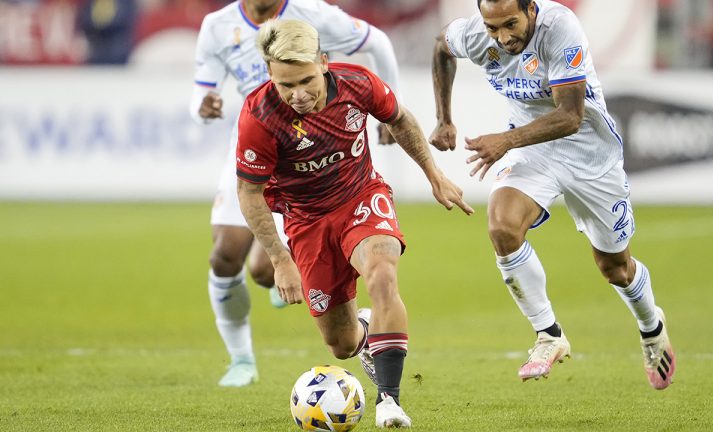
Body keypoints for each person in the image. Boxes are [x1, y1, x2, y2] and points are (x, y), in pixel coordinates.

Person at [236, 18, 473, 428]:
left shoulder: (357, 84)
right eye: (285, 85)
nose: (297, 94)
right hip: (306, 221)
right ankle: (366, 331)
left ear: (324, 63)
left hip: (360, 197)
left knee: (382, 275)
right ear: (270, 76)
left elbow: (400, 119)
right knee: (341, 344)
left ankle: (389, 401)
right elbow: (249, 193)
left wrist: (434, 175)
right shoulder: (260, 115)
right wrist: (279, 259)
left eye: (306, 81)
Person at [430, 0, 676, 390]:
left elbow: (570, 115)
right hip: (534, 151)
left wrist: (505, 140)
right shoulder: (477, 34)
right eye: (493, 28)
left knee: (615, 268)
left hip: (590, 155)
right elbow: (441, 46)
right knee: (502, 227)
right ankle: (549, 334)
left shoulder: (560, 28)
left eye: (510, 24)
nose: (502, 37)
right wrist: (444, 118)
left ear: (531, 9)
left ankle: (651, 326)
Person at [190, 0, 402, 387]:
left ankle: (339, 305)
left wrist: (392, 107)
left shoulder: (314, 14)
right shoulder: (217, 25)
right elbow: (201, 91)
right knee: (225, 255)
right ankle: (241, 359)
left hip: (313, 153)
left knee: (263, 269)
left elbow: (379, 43)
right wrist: (202, 106)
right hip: (256, 143)